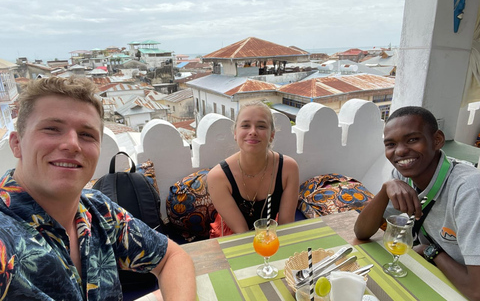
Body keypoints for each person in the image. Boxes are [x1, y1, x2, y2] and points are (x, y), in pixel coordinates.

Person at [0, 77, 196, 301]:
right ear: (16, 144)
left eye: (86, 135)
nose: (72, 144)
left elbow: (171, 257)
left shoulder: (97, 209)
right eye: (52, 129)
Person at [354, 106, 480, 300]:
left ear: (437, 140)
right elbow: (361, 232)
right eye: (390, 144)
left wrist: (431, 251)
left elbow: (476, 291)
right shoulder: (403, 176)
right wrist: (386, 188)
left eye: (412, 139)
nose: (401, 151)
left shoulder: (468, 190)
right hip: (434, 275)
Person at [207, 101, 299, 235]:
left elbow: (286, 226)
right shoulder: (218, 177)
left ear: (272, 135)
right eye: (245, 125)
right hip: (232, 237)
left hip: (270, 237)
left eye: (261, 126)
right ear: (235, 133)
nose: (253, 132)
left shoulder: (288, 169)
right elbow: (241, 233)